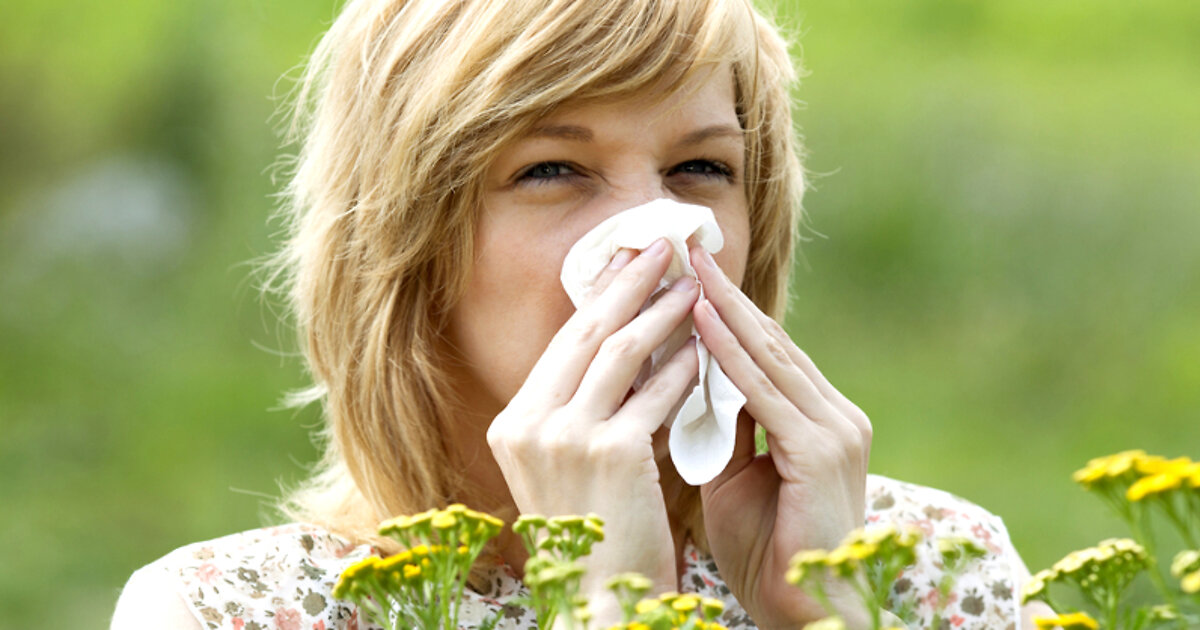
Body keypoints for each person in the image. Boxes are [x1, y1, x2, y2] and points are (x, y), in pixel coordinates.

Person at [111, 0, 1052, 628]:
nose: (659, 239)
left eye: (701, 168)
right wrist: (613, 607)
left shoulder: (929, 570)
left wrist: (828, 615)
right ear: (408, 243)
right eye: (552, 170)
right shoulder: (231, 612)